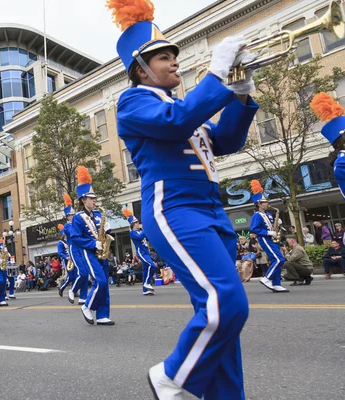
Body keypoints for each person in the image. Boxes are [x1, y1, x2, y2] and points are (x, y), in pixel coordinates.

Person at [109, 0, 259, 396]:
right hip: (174, 208)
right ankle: (172, 375)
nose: (174, 62)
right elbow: (176, 125)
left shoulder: (181, 105)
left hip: (211, 212)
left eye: (174, 55)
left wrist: (241, 96)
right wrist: (217, 72)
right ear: (141, 70)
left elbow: (225, 140)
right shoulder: (134, 101)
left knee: (222, 321)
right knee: (226, 303)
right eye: (163, 57)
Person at [69, 166, 114, 326]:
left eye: (94, 198)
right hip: (90, 252)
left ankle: (102, 315)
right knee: (100, 282)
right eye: (91, 198)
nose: (94, 200)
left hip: (103, 252)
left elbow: (106, 231)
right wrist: (93, 243)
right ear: (83, 199)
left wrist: (108, 233)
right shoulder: (78, 218)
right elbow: (74, 238)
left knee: (105, 285)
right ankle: (87, 306)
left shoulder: (98, 214)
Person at [250, 180, 289, 293]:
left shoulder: (268, 214)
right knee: (279, 259)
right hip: (265, 239)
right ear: (258, 204)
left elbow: (271, 226)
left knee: (275, 260)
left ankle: (276, 284)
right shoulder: (257, 215)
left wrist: (277, 225)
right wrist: (268, 233)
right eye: (265, 202)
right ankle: (267, 278)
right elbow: (254, 229)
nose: (267, 203)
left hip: (272, 239)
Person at [123, 208, 156, 295]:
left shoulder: (141, 231)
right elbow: (140, 236)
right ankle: (147, 282)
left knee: (145, 270)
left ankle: (145, 290)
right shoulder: (132, 233)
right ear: (132, 225)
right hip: (141, 252)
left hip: (146, 252)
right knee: (151, 265)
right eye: (136, 223)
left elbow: (147, 238)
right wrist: (146, 228)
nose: (138, 224)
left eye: (138, 222)